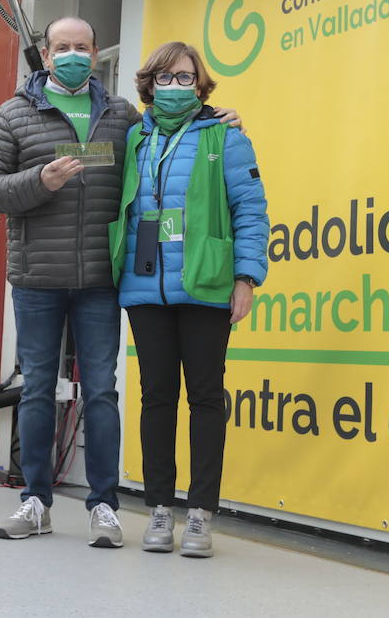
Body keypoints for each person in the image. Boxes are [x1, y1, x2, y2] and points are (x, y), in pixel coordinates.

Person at [0, 16, 240, 549]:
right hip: (37, 278)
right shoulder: (14, 114)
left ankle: (104, 507)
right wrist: (38, 181)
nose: (72, 55)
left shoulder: (121, 118)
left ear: (95, 55)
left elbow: (173, 139)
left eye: (81, 47)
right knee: (38, 390)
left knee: (101, 392)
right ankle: (36, 502)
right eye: (61, 47)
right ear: (46, 56)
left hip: (100, 278)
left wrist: (220, 120)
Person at [110, 40, 268, 558]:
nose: (175, 87)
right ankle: (158, 508)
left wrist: (245, 277)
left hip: (205, 285)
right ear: (149, 84)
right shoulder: (134, 138)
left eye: (185, 78)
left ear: (201, 87)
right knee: (156, 398)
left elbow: (251, 209)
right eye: (165, 77)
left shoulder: (226, 137)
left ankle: (199, 513)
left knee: (204, 397)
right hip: (145, 285)